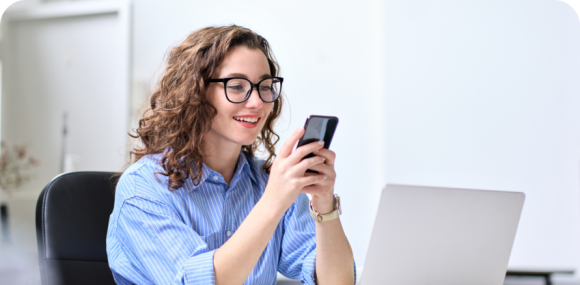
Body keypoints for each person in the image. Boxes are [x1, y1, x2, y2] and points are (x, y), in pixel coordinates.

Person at [106, 25, 355, 285]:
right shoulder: (142, 187)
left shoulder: (269, 183)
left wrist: (323, 204)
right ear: (195, 92)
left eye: (266, 86)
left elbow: (337, 282)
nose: (257, 102)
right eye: (237, 86)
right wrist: (273, 203)